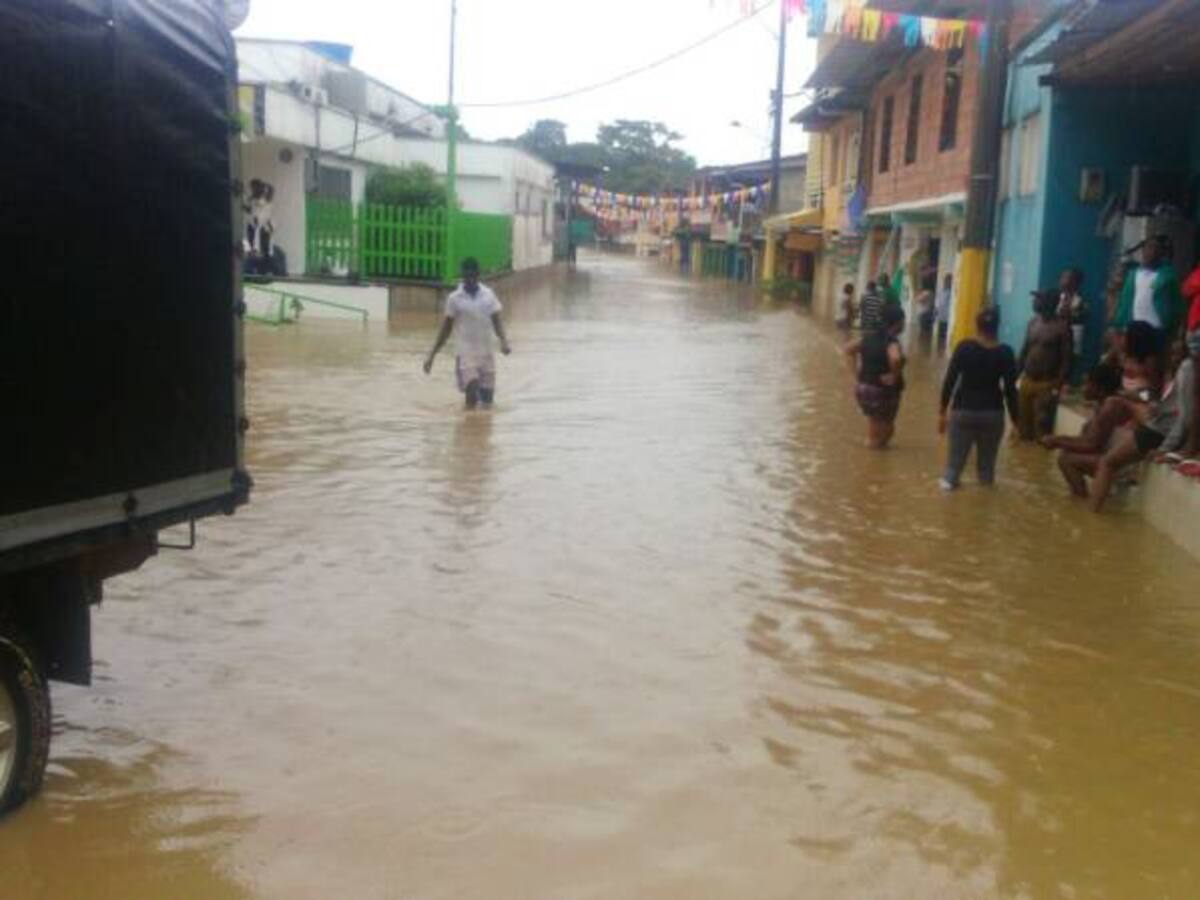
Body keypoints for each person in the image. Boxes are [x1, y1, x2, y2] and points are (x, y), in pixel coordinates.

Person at [937, 306, 1020, 490]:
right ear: (997, 327)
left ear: (976, 326)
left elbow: (950, 380)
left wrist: (942, 412)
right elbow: (1010, 391)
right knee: (986, 473)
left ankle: (948, 502)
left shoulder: (964, 347)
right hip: (993, 414)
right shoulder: (1006, 352)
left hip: (963, 412)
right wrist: (1015, 422)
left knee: (952, 470)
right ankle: (984, 504)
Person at [424, 258, 512, 410]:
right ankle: (467, 422)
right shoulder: (454, 299)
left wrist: (504, 341)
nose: (469, 280)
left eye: (472, 276)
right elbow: (446, 329)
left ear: (478, 275)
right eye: (466, 276)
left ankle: (475, 423)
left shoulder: (488, 295)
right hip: (465, 353)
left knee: (487, 403)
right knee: (472, 389)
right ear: (462, 276)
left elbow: (497, 321)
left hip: (486, 353)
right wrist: (432, 355)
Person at [845, 303, 906, 450]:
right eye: (903, 321)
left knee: (875, 422)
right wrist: (894, 375)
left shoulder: (868, 337)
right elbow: (895, 359)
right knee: (884, 426)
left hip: (863, 388)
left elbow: (848, 349)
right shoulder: (891, 341)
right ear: (897, 323)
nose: (904, 325)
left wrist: (856, 374)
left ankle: (876, 451)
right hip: (881, 390)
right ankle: (873, 454)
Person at [1016, 289, 1073, 440]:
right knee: (1023, 432)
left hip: (1047, 384)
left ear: (1049, 303)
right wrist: (1015, 376)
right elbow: (1024, 351)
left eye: (1038, 299)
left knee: (1042, 432)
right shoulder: (1032, 323)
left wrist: (1056, 387)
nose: (1034, 302)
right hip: (1027, 380)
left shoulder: (1062, 327)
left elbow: (1067, 359)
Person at [1113, 235, 1184, 350]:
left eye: (1157, 248)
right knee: (1133, 358)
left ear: (1162, 253)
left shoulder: (1168, 276)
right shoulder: (1133, 274)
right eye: (1149, 247)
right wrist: (1119, 325)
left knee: (1154, 359)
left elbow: (1177, 303)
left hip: (1158, 329)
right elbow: (1125, 301)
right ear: (1143, 251)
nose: (1152, 252)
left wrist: (1175, 329)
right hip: (1135, 328)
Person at [1056, 267, 1088, 369]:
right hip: (1056, 336)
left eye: (1065, 277)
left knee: (1070, 362)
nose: (1061, 279)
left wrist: (1069, 314)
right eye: (1062, 276)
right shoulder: (1056, 297)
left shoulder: (1080, 300)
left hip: (1073, 335)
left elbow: (1081, 316)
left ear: (1074, 282)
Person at [934, 273, 953, 350]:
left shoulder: (952, 293)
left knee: (945, 339)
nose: (946, 282)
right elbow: (938, 303)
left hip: (947, 319)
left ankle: (942, 350)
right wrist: (936, 311)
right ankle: (939, 351)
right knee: (940, 338)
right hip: (941, 318)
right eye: (945, 281)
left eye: (948, 281)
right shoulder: (941, 291)